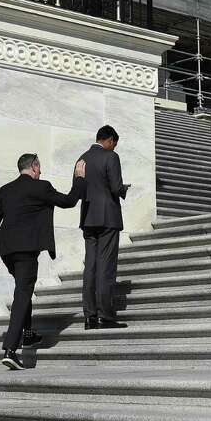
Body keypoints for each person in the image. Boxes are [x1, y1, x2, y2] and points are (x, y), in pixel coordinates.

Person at [0, 153, 85, 370]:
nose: (41, 172)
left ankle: (28, 334)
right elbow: (68, 201)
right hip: (27, 251)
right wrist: (79, 178)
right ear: (35, 167)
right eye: (40, 167)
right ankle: (11, 349)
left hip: (7, 252)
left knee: (23, 289)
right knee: (22, 293)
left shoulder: (6, 190)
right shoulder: (41, 187)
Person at [75, 125, 129, 330]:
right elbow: (115, 187)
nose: (114, 148)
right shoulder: (111, 157)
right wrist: (123, 189)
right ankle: (105, 315)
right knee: (106, 267)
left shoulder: (81, 158)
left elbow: (78, 189)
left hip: (88, 217)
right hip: (108, 218)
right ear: (109, 140)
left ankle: (89, 316)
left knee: (90, 266)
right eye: (114, 144)